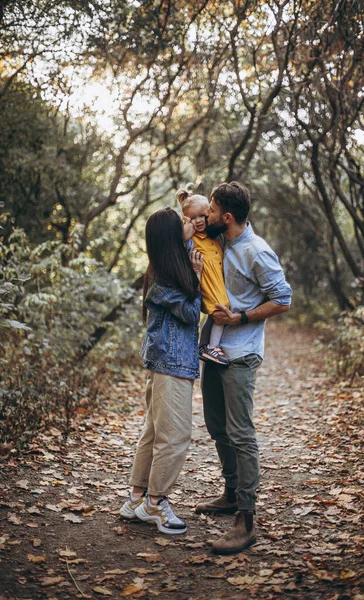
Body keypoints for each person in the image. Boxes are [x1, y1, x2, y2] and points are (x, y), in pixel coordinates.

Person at [195, 182, 292, 554]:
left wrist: (241, 317)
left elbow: (283, 299)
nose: (208, 217)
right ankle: (232, 494)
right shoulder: (221, 243)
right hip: (214, 352)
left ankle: (246, 520)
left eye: (213, 211)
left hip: (241, 353)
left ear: (228, 217)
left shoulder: (257, 251)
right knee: (218, 427)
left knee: (240, 432)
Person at [120, 207, 204, 535]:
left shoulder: (165, 265)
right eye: (184, 221)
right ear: (171, 236)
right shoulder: (167, 277)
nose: (191, 223)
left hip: (165, 362)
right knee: (175, 435)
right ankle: (156, 503)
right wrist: (196, 280)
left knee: (154, 431)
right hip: (171, 364)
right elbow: (188, 314)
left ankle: (136, 498)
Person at [177, 187, 230, 366]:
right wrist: (187, 225)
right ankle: (212, 347)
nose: (198, 221)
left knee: (217, 312)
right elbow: (179, 240)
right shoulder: (192, 237)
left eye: (202, 215)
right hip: (207, 281)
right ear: (186, 219)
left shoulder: (213, 233)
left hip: (217, 279)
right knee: (221, 309)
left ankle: (205, 346)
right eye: (193, 218)